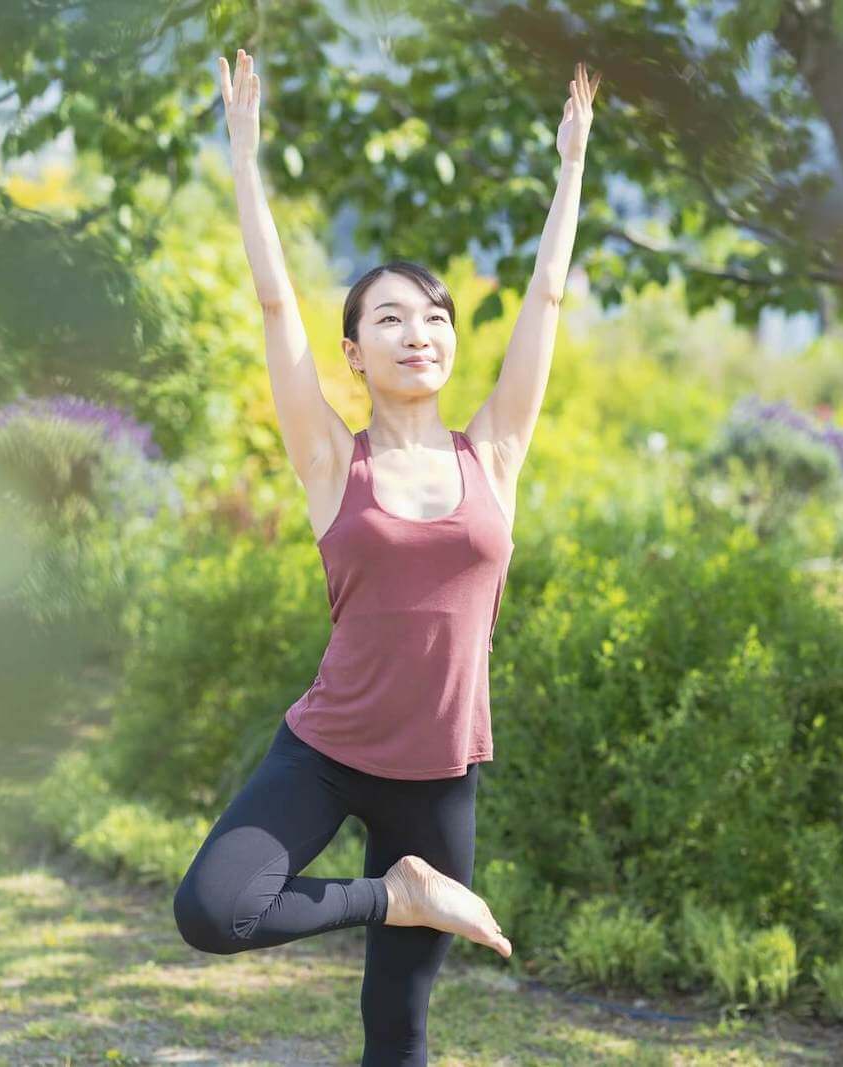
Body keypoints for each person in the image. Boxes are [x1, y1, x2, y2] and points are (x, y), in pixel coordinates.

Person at [172, 47, 600, 1066]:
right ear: (354, 353)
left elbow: (544, 300)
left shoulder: (492, 453)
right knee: (213, 910)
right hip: (324, 752)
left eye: (435, 317)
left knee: (397, 1023)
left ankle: (407, 898)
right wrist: (244, 157)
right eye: (391, 317)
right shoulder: (334, 462)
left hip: (438, 773)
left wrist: (571, 168)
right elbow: (276, 306)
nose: (420, 333)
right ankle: (396, 894)